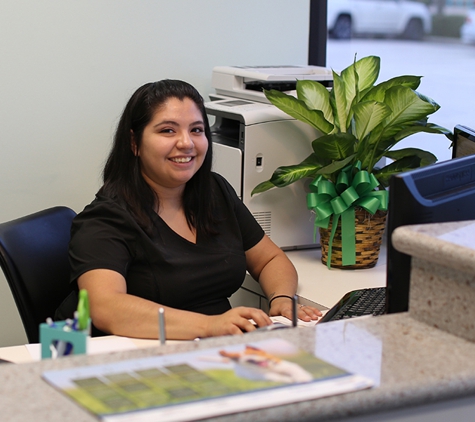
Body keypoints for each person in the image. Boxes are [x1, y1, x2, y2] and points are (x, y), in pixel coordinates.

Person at [60, 80, 321, 340]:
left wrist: (282, 298)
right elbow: (105, 307)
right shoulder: (104, 219)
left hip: (216, 349)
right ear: (134, 142)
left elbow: (269, 260)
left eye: (196, 130)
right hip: (139, 355)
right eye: (167, 131)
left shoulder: (214, 191)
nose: (186, 143)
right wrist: (210, 325)